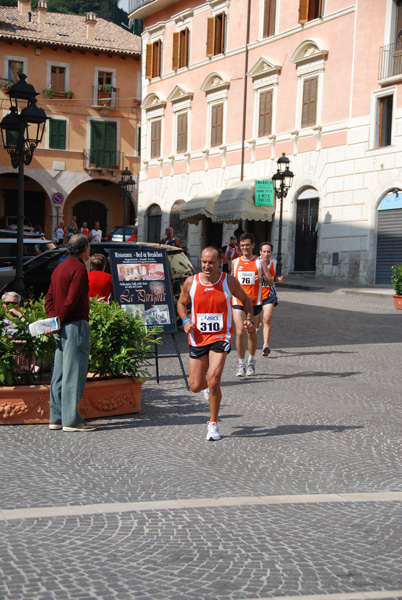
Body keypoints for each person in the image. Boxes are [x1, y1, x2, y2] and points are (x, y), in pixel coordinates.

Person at [177, 246, 255, 441]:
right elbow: (181, 303)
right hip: (198, 337)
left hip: (221, 336)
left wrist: (249, 318)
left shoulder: (229, 282)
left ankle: (213, 423)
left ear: (219, 262)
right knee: (195, 386)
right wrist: (186, 320)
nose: (207, 266)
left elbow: (246, 301)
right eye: (204, 262)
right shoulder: (191, 282)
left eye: (211, 262)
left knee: (214, 379)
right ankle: (209, 389)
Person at [44, 234, 96, 432]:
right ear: (85, 249)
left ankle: (55, 418)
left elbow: (48, 297)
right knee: (74, 372)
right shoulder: (79, 269)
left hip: (61, 325)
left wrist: (54, 319)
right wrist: (60, 320)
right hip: (74, 324)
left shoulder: (59, 268)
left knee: (59, 373)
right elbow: (72, 300)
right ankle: (71, 420)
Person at [231, 232, 274, 377]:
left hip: (255, 301)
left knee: (251, 332)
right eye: (242, 245)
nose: (245, 248)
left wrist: (262, 278)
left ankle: (251, 361)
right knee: (240, 331)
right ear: (239, 246)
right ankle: (241, 364)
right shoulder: (235, 262)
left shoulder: (260, 262)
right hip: (238, 301)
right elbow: (231, 281)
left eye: (247, 245)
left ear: (253, 245)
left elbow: (271, 281)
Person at [259, 242, 283, 357]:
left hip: (270, 293)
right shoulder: (256, 263)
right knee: (257, 322)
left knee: (267, 319)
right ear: (260, 252)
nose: (266, 254)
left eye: (268, 251)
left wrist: (278, 278)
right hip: (256, 294)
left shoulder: (274, 262)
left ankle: (265, 345)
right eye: (264, 251)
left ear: (271, 252)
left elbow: (274, 278)